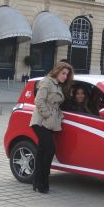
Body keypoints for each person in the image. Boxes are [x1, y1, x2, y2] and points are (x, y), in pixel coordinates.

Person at [29, 62, 74, 193]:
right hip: (40, 121)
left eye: (67, 74)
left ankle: (38, 183)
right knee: (49, 150)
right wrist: (48, 114)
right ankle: (42, 182)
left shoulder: (58, 85)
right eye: (63, 73)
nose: (65, 76)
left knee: (42, 152)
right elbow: (39, 100)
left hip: (50, 123)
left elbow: (56, 104)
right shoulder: (47, 81)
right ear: (57, 71)